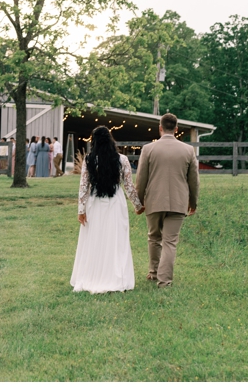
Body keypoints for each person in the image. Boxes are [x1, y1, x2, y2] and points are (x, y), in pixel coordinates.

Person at [71, 126, 144, 293]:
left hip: (95, 202)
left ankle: (92, 276)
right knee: (116, 239)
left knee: (95, 239)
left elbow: (84, 187)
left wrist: (81, 210)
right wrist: (138, 206)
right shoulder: (122, 160)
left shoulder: (89, 160)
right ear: (111, 140)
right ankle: (115, 277)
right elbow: (129, 187)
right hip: (115, 202)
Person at [135, 113, 200, 289]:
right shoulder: (188, 150)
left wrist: (138, 202)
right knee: (170, 241)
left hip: (154, 200)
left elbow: (141, 179)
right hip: (179, 202)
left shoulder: (148, 149)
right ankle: (165, 281)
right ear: (177, 129)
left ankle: (154, 272)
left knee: (154, 237)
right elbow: (194, 180)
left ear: (160, 128)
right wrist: (193, 203)